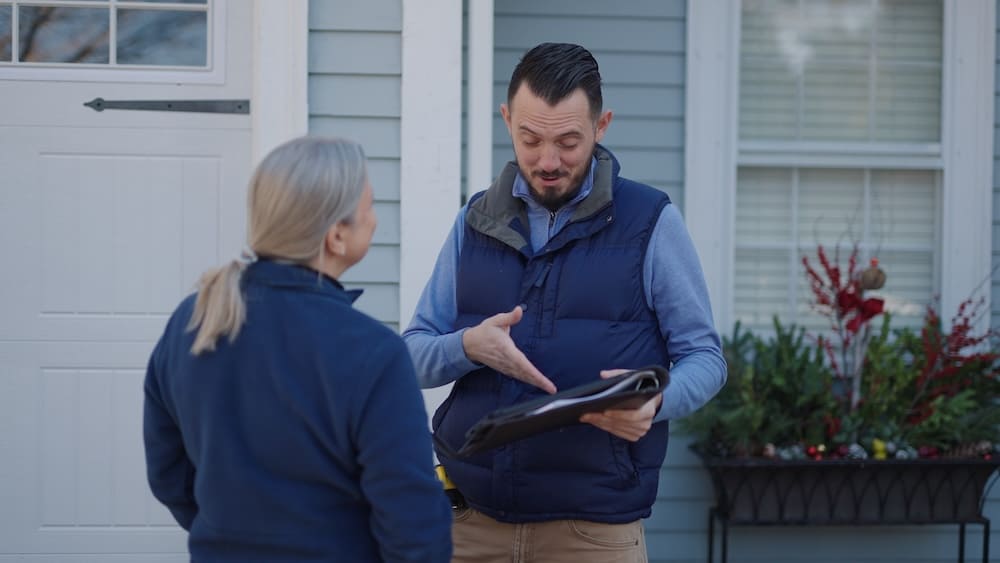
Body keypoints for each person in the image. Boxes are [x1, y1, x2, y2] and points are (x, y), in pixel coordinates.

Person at [402, 43, 727, 562]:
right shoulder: (472, 223)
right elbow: (411, 354)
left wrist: (656, 403)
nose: (548, 161)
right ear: (507, 120)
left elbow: (706, 359)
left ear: (602, 126)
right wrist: (468, 346)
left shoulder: (652, 223)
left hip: (593, 535)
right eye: (530, 139)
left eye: (568, 142)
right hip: (466, 527)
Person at [143, 136, 452, 562]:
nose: (376, 221)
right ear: (337, 236)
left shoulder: (192, 322)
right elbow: (414, 524)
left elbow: (169, 476)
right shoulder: (371, 352)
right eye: (369, 208)